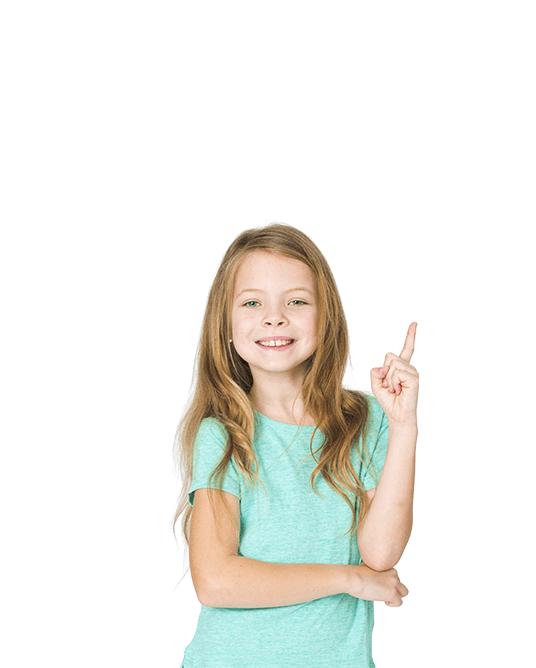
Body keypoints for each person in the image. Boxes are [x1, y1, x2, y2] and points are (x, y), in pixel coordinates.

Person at [172, 223, 419, 668]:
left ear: (326, 318)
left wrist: (404, 426)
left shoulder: (366, 420)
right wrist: (350, 579)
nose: (274, 317)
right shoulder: (223, 435)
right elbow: (215, 580)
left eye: (297, 301)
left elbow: (380, 554)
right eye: (252, 302)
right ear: (226, 326)